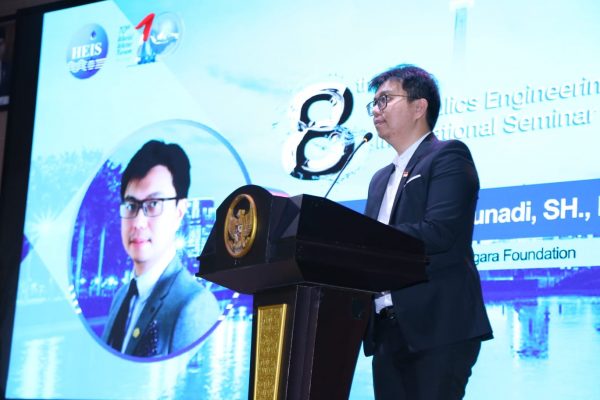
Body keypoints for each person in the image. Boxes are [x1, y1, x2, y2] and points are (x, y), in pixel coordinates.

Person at [362, 64, 493, 399]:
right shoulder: (379, 179)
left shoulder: (447, 155)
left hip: (438, 326)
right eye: (374, 103)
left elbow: (440, 231)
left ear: (419, 107)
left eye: (385, 100)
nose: (376, 110)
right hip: (386, 330)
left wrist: (365, 238)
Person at [102, 140, 220, 357]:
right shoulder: (121, 297)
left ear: (179, 211)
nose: (138, 221)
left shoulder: (195, 305)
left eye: (153, 204)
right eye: (131, 205)